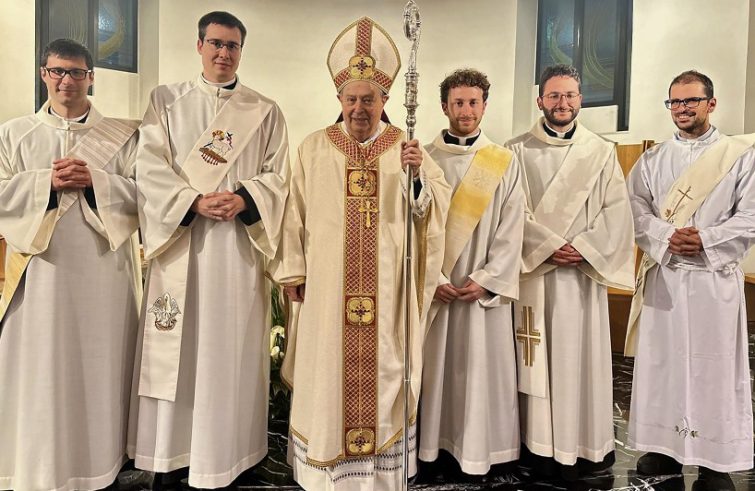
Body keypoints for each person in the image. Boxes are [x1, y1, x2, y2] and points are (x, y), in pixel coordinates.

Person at [271, 16, 450, 491]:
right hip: (328, 291)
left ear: (385, 100)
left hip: (388, 293)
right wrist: (293, 271)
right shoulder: (313, 148)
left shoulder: (407, 149)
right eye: (350, 99)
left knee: (387, 369)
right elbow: (293, 213)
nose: (358, 108)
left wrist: (417, 179)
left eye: (368, 99)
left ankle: (382, 475)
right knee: (327, 375)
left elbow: (431, 213)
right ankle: (325, 472)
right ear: (339, 99)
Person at [128, 11, 290, 488]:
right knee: (176, 349)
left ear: (241, 51)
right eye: (216, 43)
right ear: (199, 46)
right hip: (181, 245)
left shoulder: (264, 110)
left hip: (235, 251)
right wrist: (193, 201)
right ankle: (170, 454)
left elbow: (279, 176)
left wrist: (245, 198)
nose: (223, 53)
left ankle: (230, 455)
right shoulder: (166, 101)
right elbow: (147, 167)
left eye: (232, 45)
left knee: (228, 350)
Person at [0, 38, 140, 490]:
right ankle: (37, 463)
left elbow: (147, 196)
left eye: (77, 72)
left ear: (91, 77)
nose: (67, 81)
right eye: (58, 71)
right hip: (40, 277)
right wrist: (46, 183)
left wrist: (97, 181)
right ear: (44, 74)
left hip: (104, 273)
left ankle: (101, 461)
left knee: (100, 364)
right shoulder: (14, 133)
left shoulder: (124, 136)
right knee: (41, 367)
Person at [626, 70, 755, 491]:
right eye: (675, 102)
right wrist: (667, 236)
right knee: (662, 364)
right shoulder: (653, 159)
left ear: (711, 104)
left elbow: (750, 216)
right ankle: (661, 446)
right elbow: (634, 209)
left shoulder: (741, 156)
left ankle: (715, 457)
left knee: (712, 369)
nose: (682, 109)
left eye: (691, 101)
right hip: (666, 276)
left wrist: (705, 239)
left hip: (712, 282)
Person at [505, 64, 635, 480]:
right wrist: (547, 247)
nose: (562, 103)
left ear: (581, 99)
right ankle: (537, 445)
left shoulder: (600, 151)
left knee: (578, 361)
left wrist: (583, 248)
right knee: (535, 360)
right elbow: (509, 213)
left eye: (570, 95)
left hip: (581, 277)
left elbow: (617, 212)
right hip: (535, 276)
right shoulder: (515, 151)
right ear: (540, 100)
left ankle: (583, 445)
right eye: (554, 95)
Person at [418, 69, 524, 476]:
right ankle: (433, 447)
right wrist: (434, 278)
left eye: (473, 102)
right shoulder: (423, 157)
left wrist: (488, 278)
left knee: (481, 372)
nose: (466, 110)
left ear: (484, 105)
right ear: (444, 106)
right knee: (437, 371)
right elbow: (410, 223)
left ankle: (480, 451)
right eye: (458, 102)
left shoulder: (503, 161)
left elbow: (513, 224)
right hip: (438, 289)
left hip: (481, 292)